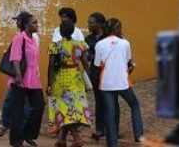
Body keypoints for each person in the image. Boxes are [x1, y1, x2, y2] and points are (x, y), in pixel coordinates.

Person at [94, 18, 144, 147]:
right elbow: (128, 61)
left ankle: (112, 143)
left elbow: (97, 65)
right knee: (134, 105)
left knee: (110, 113)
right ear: (117, 29)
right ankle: (139, 135)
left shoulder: (99, 44)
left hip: (106, 83)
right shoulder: (125, 43)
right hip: (122, 82)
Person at [47, 19, 91, 147]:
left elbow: (50, 66)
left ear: (60, 31)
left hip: (61, 80)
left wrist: (49, 84)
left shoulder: (55, 46)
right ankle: (61, 139)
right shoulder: (81, 45)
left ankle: (77, 139)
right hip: (76, 79)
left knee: (65, 110)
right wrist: (90, 78)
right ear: (73, 30)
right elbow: (85, 63)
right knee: (71, 109)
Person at [8, 11, 45, 147]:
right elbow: (15, 59)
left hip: (34, 79)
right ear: (26, 25)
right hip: (21, 78)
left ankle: (28, 135)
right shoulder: (19, 38)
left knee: (39, 106)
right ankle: (16, 140)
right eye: (34, 22)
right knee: (18, 111)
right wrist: (18, 76)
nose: (37, 25)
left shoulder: (34, 39)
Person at [85, 12, 110, 141]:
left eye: (91, 22)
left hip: (109, 74)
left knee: (110, 102)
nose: (88, 25)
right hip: (95, 74)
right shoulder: (88, 39)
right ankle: (100, 129)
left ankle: (112, 128)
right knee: (99, 102)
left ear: (99, 24)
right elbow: (87, 56)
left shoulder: (109, 37)